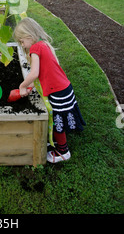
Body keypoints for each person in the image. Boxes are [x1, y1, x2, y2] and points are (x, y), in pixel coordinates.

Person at [14, 17, 86, 163]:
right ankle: (57, 143)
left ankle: (63, 151)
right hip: (64, 88)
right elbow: (42, 73)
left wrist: (22, 86)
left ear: (29, 36)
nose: (23, 45)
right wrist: (30, 86)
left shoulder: (35, 48)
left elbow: (34, 73)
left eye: (22, 41)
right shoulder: (43, 44)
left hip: (59, 92)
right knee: (60, 117)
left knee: (58, 119)